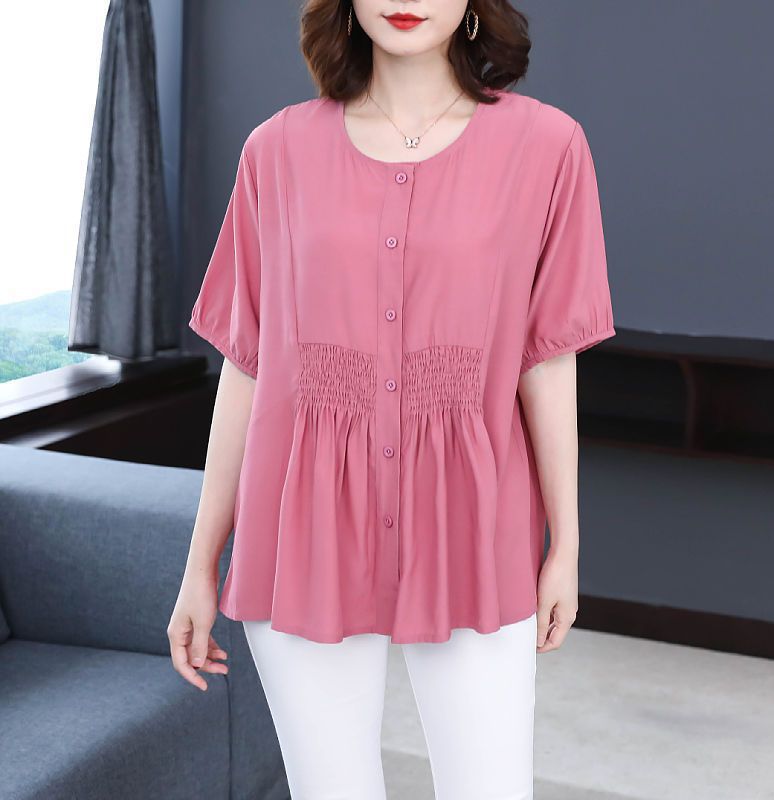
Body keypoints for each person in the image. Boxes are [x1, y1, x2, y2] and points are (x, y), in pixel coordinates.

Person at [168, 1, 616, 798]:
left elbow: (547, 363)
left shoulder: (547, 147)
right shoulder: (276, 151)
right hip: (300, 527)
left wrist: (566, 545)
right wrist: (200, 564)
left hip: (474, 524)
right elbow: (248, 367)